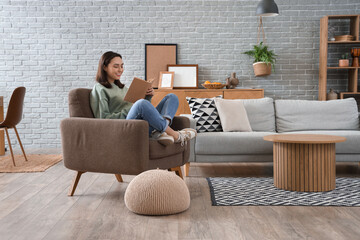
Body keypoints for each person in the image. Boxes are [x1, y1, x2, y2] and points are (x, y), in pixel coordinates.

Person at [90, 51, 196, 146]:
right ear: (104, 67)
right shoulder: (100, 89)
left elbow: (141, 108)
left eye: (122, 66)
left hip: (141, 124)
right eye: (116, 66)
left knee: (172, 97)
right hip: (124, 127)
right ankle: (175, 134)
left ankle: (161, 132)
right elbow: (103, 118)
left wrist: (148, 96)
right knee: (140, 104)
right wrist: (131, 109)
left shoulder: (123, 88)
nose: (120, 70)